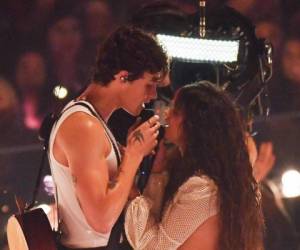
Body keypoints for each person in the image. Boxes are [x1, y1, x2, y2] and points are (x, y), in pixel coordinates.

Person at [48, 25, 169, 249]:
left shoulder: (89, 120)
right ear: (123, 77)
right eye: (149, 85)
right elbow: (101, 220)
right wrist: (133, 157)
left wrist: (128, 158)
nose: (152, 96)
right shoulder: (84, 125)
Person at [125, 81, 264, 250]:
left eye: (175, 111)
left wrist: (129, 178)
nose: (166, 115)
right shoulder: (224, 179)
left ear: (194, 125)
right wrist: (157, 173)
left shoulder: (203, 189)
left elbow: (152, 246)